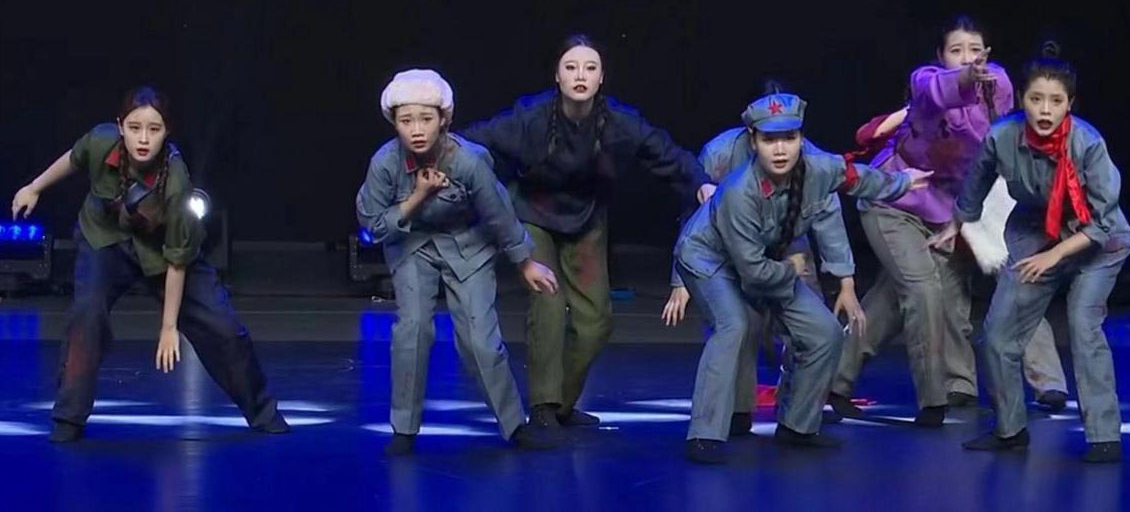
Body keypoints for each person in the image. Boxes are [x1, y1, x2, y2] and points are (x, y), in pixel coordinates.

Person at [461, 35, 714, 429]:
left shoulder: (620, 123)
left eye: (590, 68)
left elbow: (667, 154)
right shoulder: (530, 117)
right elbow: (475, 142)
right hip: (533, 213)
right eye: (571, 67)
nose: (580, 75)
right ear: (557, 76)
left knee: (595, 321)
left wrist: (699, 182)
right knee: (547, 303)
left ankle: (562, 403)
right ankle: (544, 406)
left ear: (601, 78)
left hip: (587, 219)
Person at [11, 87, 288, 442]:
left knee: (223, 327)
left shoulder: (176, 182)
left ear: (166, 131)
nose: (143, 139)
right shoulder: (102, 141)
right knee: (87, 315)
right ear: (120, 126)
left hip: (163, 254)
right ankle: (69, 417)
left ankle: (262, 411)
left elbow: (177, 262)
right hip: (105, 241)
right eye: (135, 128)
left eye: (154, 129)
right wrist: (34, 187)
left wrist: (169, 326)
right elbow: (74, 158)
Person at [830, 16, 1066, 427]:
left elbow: (1003, 138)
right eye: (956, 51)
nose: (967, 58)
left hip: (951, 209)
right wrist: (964, 78)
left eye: (975, 50)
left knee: (892, 298)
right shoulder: (925, 81)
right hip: (896, 201)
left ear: (987, 53)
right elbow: (937, 90)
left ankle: (833, 380)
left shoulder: (998, 84)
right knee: (923, 290)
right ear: (940, 56)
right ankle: (934, 400)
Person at [672, 92, 931, 462]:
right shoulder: (738, 192)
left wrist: (902, 182)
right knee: (734, 326)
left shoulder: (817, 166)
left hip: (767, 261)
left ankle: (798, 425)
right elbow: (754, 275)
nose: (781, 150)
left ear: (801, 139)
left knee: (825, 332)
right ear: (753, 142)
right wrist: (792, 268)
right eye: (769, 139)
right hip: (710, 259)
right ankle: (705, 434)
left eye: (789, 138)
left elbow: (856, 178)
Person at [936, 43, 1130, 462]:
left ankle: (1104, 436)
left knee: (1083, 325)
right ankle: (1010, 430)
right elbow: (976, 183)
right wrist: (957, 222)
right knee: (999, 333)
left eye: (1056, 101)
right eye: (1036, 99)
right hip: (1034, 231)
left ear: (1070, 104)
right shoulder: (1002, 136)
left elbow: (1102, 223)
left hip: (1096, 242)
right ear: (1022, 100)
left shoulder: (1087, 144)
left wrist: (1055, 256)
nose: (1045, 110)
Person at [356, 69, 560, 455]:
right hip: (412, 245)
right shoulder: (384, 163)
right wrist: (418, 196)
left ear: (444, 120)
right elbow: (373, 225)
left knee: (481, 341)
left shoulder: (469, 161)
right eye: (406, 121)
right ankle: (404, 428)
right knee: (413, 330)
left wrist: (525, 262)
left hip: (468, 245)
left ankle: (514, 425)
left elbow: (498, 212)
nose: (417, 130)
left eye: (426, 119)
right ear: (394, 124)